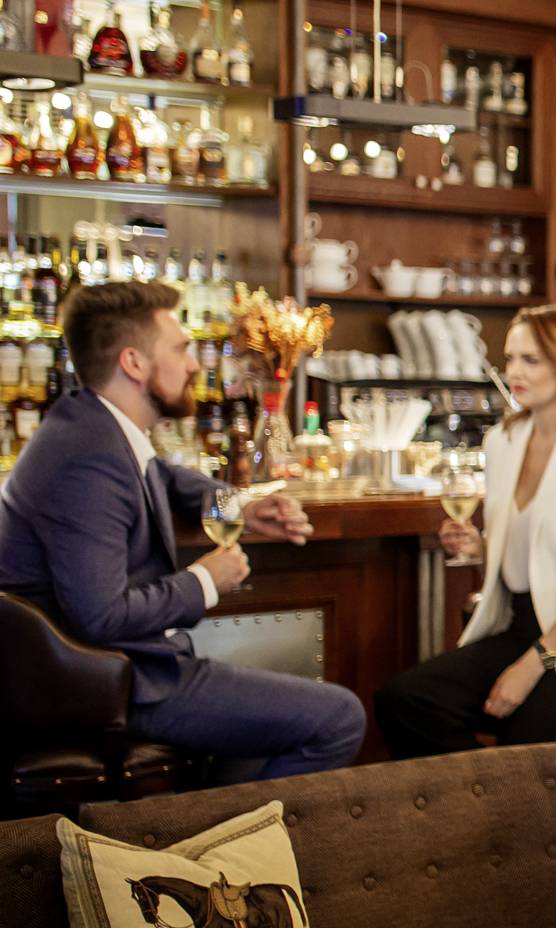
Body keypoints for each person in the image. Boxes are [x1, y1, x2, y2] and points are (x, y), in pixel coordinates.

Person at [0, 280, 366, 779]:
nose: (194, 363)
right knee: (340, 717)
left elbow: (162, 474)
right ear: (133, 363)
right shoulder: (86, 461)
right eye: (180, 348)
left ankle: (222, 838)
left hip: (122, 669)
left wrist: (238, 505)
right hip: (117, 682)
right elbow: (100, 616)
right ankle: (243, 848)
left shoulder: (92, 426)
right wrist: (206, 580)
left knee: (270, 733)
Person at [376, 305, 556, 757]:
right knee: (405, 701)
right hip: (519, 625)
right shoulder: (503, 441)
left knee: (524, 753)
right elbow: (536, 556)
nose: (514, 372)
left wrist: (532, 664)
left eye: (531, 360)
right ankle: (480, 812)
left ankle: (504, 812)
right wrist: (482, 546)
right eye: (509, 359)